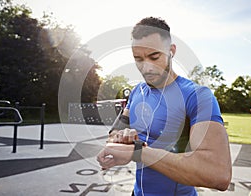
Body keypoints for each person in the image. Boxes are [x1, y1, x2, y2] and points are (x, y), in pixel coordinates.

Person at [97, 16, 232, 196]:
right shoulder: (137, 91)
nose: (147, 68)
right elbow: (115, 132)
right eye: (138, 59)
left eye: (154, 57)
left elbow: (218, 174)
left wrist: (137, 152)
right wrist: (122, 140)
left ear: (171, 50)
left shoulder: (197, 96)